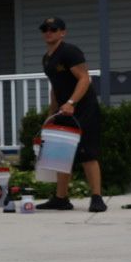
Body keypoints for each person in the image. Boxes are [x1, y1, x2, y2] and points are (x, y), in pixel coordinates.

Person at [35, 17, 106, 213]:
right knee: (60, 154)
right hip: (64, 109)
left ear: (62, 32)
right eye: (45, 29)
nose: (48, 32)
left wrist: (71, 102)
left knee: (87, 153)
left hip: (84, 108)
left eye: (53, 29)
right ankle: (61, 198)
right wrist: (51, 113)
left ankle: (97, 198)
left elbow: (85, 79)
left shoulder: (70, 51)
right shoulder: (47, 58)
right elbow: (55, 87)